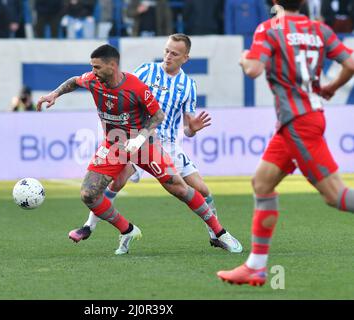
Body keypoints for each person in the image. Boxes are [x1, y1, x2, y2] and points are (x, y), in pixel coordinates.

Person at [37, 44, 237, 255]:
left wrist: (140, 138)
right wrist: (54, 94)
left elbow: (158, 116)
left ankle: (220, 232)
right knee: (88, 194)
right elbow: (74, 81)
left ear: (112, 66)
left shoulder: (136, 87)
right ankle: (127, 230)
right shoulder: (93, 80)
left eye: (97, 67)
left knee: (178, 188)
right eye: (92, 67)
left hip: (145, 145)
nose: (93, 72)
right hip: (114, 145)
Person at [217, 0, 354, 286]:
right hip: (299, 120)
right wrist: (331, 88)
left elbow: (254, 69)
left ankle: (255, 266)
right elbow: (351, 63)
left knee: (336, 197)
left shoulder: (269, 29)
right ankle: (255, 266)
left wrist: (244, 58)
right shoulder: (319, 29)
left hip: (298, 122)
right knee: (262, 184)